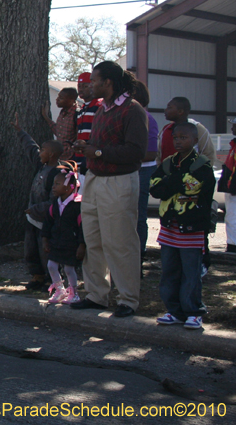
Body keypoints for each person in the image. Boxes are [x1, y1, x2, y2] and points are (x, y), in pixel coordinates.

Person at [72, 61, 147, 318]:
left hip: (119, 181)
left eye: (94, 80)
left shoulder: (132, 110)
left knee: (120, 242)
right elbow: (100, 145)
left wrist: (98, 151)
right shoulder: (102, 109)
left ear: (108, 83)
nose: (90, 84)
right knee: (94, 240)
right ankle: (96, 296)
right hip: (94, 178)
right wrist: (86, 149)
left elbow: (137, 152)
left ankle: (128, 299)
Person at [150, 122, 215, 330]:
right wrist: (174, 183)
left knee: (191, 273)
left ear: (195, 140)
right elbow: (155, 187)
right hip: (169, 229)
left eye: (183, 137)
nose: (178, 141)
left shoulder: (202, 165)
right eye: (175, 137)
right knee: (169, 271)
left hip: (191, 229)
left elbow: (192, 186)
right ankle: (174, 311)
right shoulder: (168, 162)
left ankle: (193, 311)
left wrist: (170, 183)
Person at [12, 113, 64, 290]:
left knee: (46, 251)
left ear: (51, 154)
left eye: (43, 150)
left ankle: (53, 280)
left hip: (47, 221)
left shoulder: (58, 173)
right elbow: (31, 148)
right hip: (32, 219)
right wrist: (20, 131)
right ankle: (37, 276)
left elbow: (55, 202)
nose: (39, 152)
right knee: (31, 249)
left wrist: (36, 209)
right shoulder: (41, 165)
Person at [41, 165, 85, 304]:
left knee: (68, 268)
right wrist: (45, 239)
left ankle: (74, 292)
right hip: (57, 242)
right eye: (54, 184)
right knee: (51, 266)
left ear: (70, 187)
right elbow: (48, 223)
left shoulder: (77, 206)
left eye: (57, 184)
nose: (53, 187)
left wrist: (81, 244)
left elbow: (82, 227)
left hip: (70, 243)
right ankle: (60, 289)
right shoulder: (54, 205)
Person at [131, 79, 159, 265]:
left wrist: (121, 155)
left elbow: (150, 154)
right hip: (129, 170)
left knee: (138, 215)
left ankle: (139, 254)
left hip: (142, 172)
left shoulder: (147, 119)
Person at [157, 97, 216, 164]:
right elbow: (159, 155)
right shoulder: (165, 130)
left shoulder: (198, 129)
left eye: (169, 108)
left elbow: (208, 154)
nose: (165, 110)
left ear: (180, 111)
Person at [74, 72, 103, 188]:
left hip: (91, 157)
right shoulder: (81, 110)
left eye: (85, 86)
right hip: (79, 158)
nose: (81, 90)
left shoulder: (99, 106)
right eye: (79, 86)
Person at [42, 87, 78, 160]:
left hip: (71, 158)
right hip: (60, 156)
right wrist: (46, 117)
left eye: (61, 98)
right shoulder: (62, 112)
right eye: (58, 96)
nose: (57, 99)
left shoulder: (77, 114)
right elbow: (58, 131)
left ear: (71, 100)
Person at [218, 119, 236, 253]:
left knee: (232, 218)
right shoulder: (233, 145)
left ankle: (233, 247)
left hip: (234, 190)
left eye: (234, 126)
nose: (232, 128)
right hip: (231, 189)